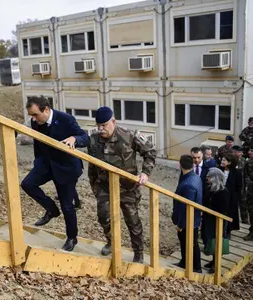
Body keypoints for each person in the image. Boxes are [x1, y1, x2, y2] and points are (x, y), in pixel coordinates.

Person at [87, 106, 156, 263]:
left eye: (104, 125)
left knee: (133, 221)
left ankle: (138, 253)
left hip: (128, 188)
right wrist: (95, 188)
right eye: (98, 125)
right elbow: (92, 166)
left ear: (113, 121)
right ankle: (111, 242)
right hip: (105, 187)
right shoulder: (94, 140)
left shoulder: (130, 135)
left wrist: (145, 173)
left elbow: (150, 152)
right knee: (103, 216)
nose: (101, 129)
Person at [20, 96, 89, 251]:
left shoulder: (66, 119)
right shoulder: (35, 122)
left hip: (66, 167)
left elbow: (86, 138)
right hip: (45, 164)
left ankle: (72, 238)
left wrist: (74, 138)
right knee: (27, 184)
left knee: (67, 206)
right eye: (31, 115)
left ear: (46, 109)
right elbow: (38, 145)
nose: (33, 118)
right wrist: (37, 163)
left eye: (35, 114)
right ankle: (51, 209)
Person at [172, 155, 202, 273]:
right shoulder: (195, 177)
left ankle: (196, 267)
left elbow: (186, 207)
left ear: (180, 165)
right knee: (184, 241)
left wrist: (180, 224)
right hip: (192, 218)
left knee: (192, 243)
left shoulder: (188, 184)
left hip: (189, 220)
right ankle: (184, 261)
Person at [203, 168, 230, 274]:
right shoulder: (210, 189)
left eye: (209, 177)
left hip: (218, 221)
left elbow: (222, 210)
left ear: (215, 178)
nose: (207, 178)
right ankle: (213, 260)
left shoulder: (224, 192)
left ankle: (216, 263)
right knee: (210, 239)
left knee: (217, 240)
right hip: (209, 219)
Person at [220, 153, 242, 237]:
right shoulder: (219, 169)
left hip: (231, 197)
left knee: (229, 214)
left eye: (224, 160)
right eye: (222, 160)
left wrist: (236, 198)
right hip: (220, 196)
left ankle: (228, 231)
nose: (222, 162)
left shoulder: (237, 173)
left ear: (229, 162)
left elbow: (239, 187)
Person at [232, 145, 249, 224]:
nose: (241, 153)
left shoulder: (243, 161)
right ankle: (233, 220)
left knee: (243, 203)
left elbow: (246, 173)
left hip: (242, 185)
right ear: (235, 152)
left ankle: (244, 220)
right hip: (233, 186)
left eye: (241, 152)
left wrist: (246, 185)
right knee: (233, 203)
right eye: (239, 152)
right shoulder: (231, 160)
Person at [243, 147, 253, 240]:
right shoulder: (248, 162)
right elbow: (245, 176)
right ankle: (252, 232)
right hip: (250, 191)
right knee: (251, 211)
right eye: (250, 150)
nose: (249, 152)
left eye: (252, 151)